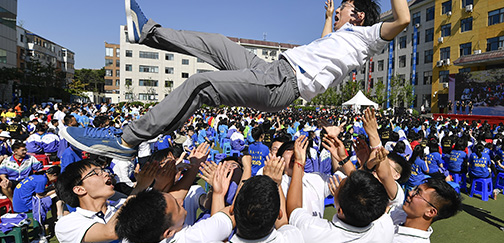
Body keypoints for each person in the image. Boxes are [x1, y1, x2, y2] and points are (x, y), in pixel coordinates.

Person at [62, 0, 410, 161]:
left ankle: (126, 140)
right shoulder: (342, 35)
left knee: (201, 83)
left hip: (282, 84)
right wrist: (326, 16)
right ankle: (148, 32)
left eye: (342, 9)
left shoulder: (368, 37)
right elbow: (323, 44)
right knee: (218, 42)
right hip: (273, 68)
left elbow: (404, 18)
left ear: (360, 15)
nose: (336, 13)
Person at [54, 159, 158, 243]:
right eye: (96, 173)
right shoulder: (67, 224)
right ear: (79, 189)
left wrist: (162, 182)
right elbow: (111, 232)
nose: (106, 174)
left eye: (103, 170)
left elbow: (160, 213)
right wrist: (139, 187)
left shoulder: (121, 204)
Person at [384, 178, 461, 243]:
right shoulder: (403, 216)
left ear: (430, 212)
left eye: (417, 193)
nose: (410, 193)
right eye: (415, 189)